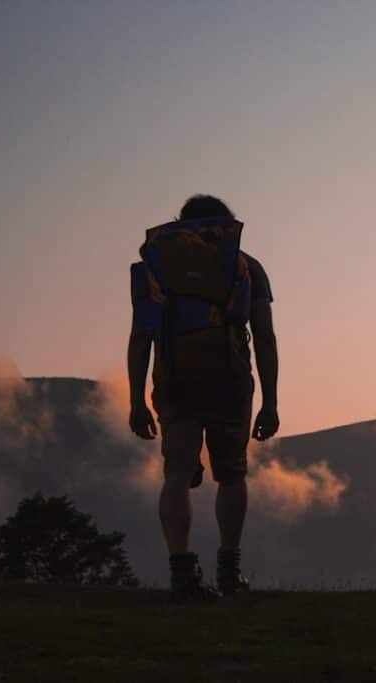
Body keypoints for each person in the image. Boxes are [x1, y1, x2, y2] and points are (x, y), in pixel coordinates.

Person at [126, 194, 279, 601]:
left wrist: (136, 399)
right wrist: (271, 400)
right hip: (229, 379)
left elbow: (142, 337)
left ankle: (182, 575)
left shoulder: (156, 268)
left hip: (175, 378)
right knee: (231, 474)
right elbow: (264, 337)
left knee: (176, 475)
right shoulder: (245, 267)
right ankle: (229, 573)